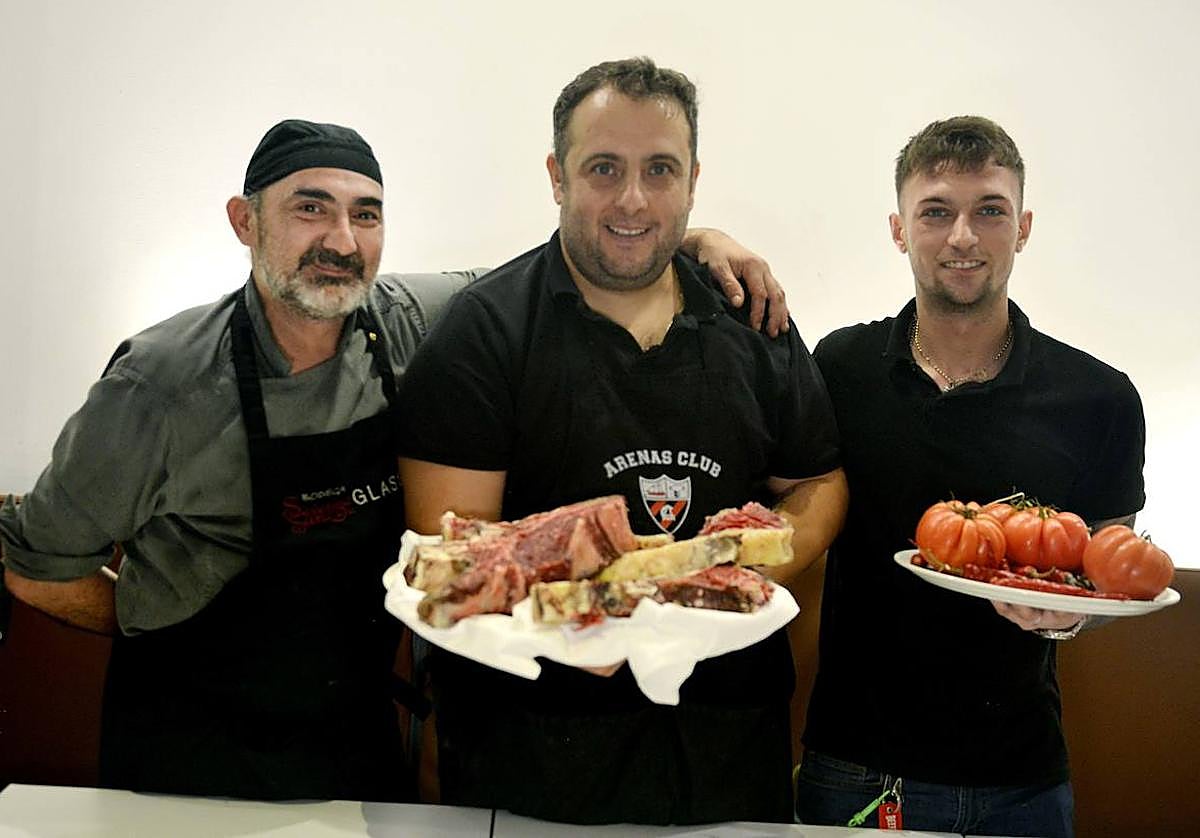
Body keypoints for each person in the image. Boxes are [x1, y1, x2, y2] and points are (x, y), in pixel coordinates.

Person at [0, 119, 787, 802]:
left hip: (358, 740)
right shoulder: (159, 384)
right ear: (245, 221)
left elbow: (559, 265)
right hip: (192, 749)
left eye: (365, 215)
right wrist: (150, 625)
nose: (341, 242)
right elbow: (37, 567)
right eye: (310, 209)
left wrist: (689, 241)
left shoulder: (407, 323)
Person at [397, 57, 849, 826]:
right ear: (557, 175)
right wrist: (608, 610)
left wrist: (722, 574)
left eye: (660, 169)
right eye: (604, 167)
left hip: (729, 749)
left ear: (694, 181)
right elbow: (458, 558)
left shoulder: (750, 317)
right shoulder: (485, 332)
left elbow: (820, 483)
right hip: (533, 755)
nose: (633, 198)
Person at [795, 116, 1145, 838]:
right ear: (899, 229)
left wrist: (1073, 615)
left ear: (1022, 228)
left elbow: (1112, 564)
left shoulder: (1100, 397)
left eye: (989, 210)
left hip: (1021, 783)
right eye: (936, 212)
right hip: (856, 773)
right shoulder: (839, 369)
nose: (963, 236)